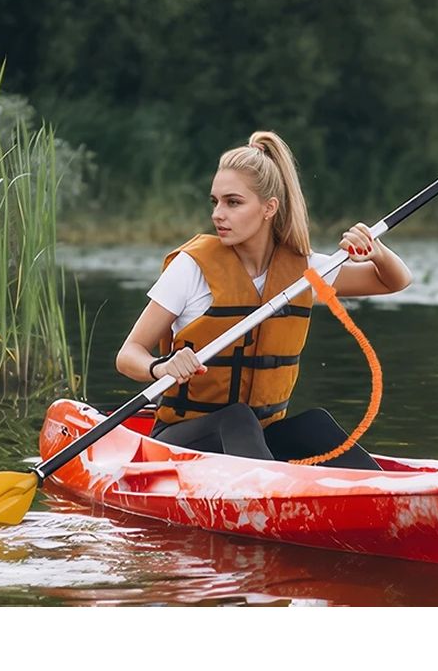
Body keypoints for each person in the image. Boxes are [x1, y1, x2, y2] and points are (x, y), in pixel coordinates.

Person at [116, 131, 412, 468]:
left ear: (269, 208)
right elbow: (128, 356)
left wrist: (377, 252)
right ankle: (272, 495)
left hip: (256, 442)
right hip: (182, 443)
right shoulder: (191, 268)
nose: (218, 214)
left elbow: (393, 282)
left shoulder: (303, 273)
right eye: (215, 202)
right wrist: (162, 367)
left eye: (233, 202)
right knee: (237, 418)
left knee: (314, 423)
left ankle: (381, 495)